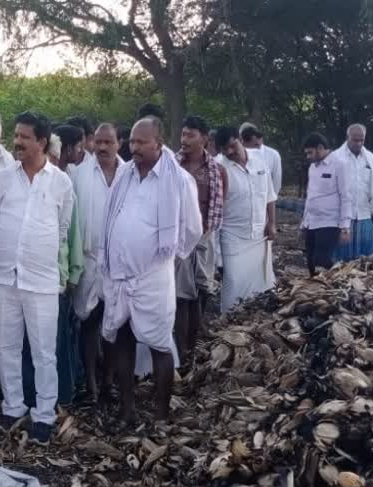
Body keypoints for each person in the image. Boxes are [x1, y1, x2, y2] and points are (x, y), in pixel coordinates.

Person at [102, 116, 202, 430]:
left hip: (154, 276)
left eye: (141, 142)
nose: (134, 148)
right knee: (122, 340)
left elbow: (192, 228)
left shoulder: (179, 179)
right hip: (120, 276)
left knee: (160, 343)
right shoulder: (124, 176)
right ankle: (127, 409)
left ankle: (160, 413)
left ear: (158, 144)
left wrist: (168, 259)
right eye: (131, 142)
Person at [0, 111, 73, 444]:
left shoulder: (61, 182)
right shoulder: (3, 178)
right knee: (6, 346)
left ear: (42, 141)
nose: (18, 142)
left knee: (43, 352)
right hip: (6, 277)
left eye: (25, 137)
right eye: (16, 135)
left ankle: (43, 414)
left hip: (41, 281)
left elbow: (63, 226)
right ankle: (12, 407)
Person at [72, 123, 123, 402]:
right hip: (88, 260)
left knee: (113, 324)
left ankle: (110, 381)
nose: (102, 147)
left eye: (108, 142)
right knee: (89, 322)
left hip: (119, 264)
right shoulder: (79, 175)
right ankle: (90, 381)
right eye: (98, 142)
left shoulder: (128, 174)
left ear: (119, 143)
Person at [33, 124, 83, 406]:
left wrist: (72, 273)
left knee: (57, 342)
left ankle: (62, 396)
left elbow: (71, 234)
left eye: (50, 158)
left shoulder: (63, 186)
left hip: (57, 275)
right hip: (31, 276)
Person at [174, 116, 226, 360]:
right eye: (183, 135)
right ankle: (181, 349)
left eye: (190, 135)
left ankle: (192, 345)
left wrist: (204, 232)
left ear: (204, 139)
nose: (184, 140)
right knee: (182, 296)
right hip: (179, 240)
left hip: (204, 238)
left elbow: (218, 205)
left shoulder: (217, 170)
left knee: (202, 293)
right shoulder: (172, 165)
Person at [214, 126, 276, 312]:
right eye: (225, 149)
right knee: (233, 281)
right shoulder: (219, 167)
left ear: (240, 139)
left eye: (233, 146)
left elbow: (269, 195)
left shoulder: (259, 159)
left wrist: (272, 223)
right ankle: (229, 321)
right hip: (232, 235)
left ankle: (255, 320)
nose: (230, 152)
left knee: (261, 280)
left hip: (259, 233)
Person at [301, 133, 353, 276]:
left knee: (321, 260)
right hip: (312, 222)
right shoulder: (312, 168)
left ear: (320, 148)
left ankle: (341, 279)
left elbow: (346, 196)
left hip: (329, 221)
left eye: (310, 153)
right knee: (311, 262)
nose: (308, 157)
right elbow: (310, 196)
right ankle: (316, 292)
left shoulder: (339, 165)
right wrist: (304, 222)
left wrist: (345, 227)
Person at [332, 124, 373, 260]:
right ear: (347, 137)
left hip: (364, 213)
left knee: (366, 258)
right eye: (355, 140)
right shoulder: (336, 157)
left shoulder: (370, 158)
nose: (358, 143)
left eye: (362, 140)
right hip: (342, 216)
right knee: (341, 259)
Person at [240, 122, 282, 196]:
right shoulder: (238, 154)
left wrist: (270, 202)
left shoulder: (273, 155)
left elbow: (276, 181)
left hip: (266, 200)